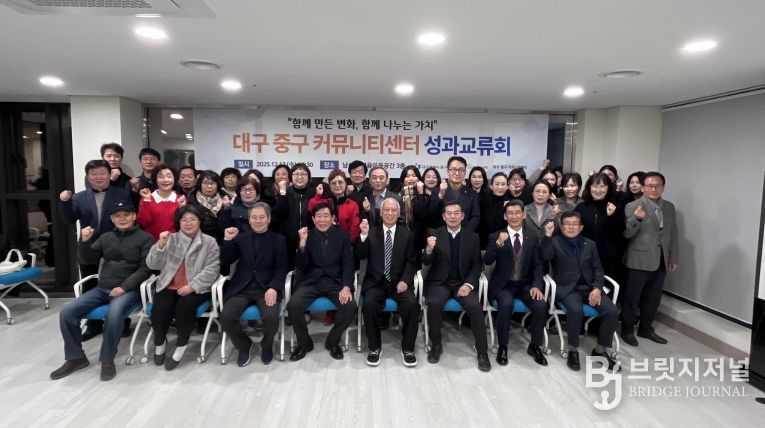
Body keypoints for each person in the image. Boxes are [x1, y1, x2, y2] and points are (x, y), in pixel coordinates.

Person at [51, 200, 153, 381]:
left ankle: (107, 359)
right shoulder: (106, 237)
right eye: (117, 216)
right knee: (67, 312)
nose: (122, 219)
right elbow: (87, 260)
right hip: (103, 288)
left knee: (113, 314)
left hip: (130, 290)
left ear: (134, 216)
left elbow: (145, 269)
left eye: (126, 215)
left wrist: (123, 287)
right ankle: (76, 357)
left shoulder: (146, 238)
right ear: (112, 219)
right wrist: (84, 241)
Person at [59, 159, 131, 340]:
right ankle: (93, 325)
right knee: (90, 284)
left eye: (102, 173)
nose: (98, 177)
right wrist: (65, 202)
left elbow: (129, 218)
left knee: (118, 283)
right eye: (93, 174)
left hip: (116, 244)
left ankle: (121, 322)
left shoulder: (121, 194)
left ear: (109, 174)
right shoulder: (79, 197)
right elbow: (68, 219)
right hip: (89, 244)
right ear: (88, 176)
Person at [540, 211, 620, 372]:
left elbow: (598, 268)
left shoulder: (590, 244)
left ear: (581, 227)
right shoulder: (554, 242)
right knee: (576, 310)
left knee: (611, 311)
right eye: (567, 223)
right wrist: (547, 235)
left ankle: (600, 350)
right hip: (567, 289)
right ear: (561, 226)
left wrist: (597, 288)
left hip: (590, 288)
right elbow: (545, 256)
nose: (571, 227)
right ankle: (573, 350)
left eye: (574, 223)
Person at [145, 205, 220, 370]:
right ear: (178, 222)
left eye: (193, 219)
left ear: (199, 221)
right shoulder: (170, 239)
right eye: (184, 220)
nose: (188, 223)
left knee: (184, 306)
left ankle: (181, 345)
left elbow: (212, 269)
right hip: (169, 285)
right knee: (160, 307)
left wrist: (192, 286)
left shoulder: (209, 242)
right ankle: (160, 342)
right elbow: (152, 264)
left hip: (197, 287)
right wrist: (160, 245)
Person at [422, 201, 490, 372]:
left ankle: (482, 351)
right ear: (443, 216)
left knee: (475, 306)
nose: (452, 216)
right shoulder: (434, 234)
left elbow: (477, 265)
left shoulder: (472, 236)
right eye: (449, 213)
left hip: (462, 283)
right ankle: (436, 345)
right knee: (434, 303)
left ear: (462, 215)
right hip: (440, 283)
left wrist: (468, 284)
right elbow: (426, 262)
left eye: (456, 213)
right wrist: (428, 249)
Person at [219, 202, 287, 367]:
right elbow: (226, 260)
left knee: (271, 318)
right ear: (249, 220)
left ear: (268, 219)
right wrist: (227, 240)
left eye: (261, 217)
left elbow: (281, 268)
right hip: (241, 288)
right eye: (254, 218)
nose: (258, 221)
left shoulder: (278, 240)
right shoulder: (240, 238)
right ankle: (244, 346)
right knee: (226, 318)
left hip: (266, 288)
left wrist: (273, 287)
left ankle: (266, 346)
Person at [286, 203, 357, 361]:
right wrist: (302, 243)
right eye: (318, 216)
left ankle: (333, 341)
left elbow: (348, 263)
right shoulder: (307, 235)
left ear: (333, 218)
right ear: (313, 219)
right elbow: (301, 266)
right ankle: (304, 343)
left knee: (350, 307)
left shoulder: (342, 236)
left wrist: (346, 286)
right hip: (310, 282)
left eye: (326, 216)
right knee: (293, 305)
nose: (322, 220)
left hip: (335, 282)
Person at [483, 200, 547, 366]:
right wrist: (499, 244)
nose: (514, 216)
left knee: (541, 305)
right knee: (506, 304)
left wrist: (537, 285)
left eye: (517, 212)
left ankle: (535, 346)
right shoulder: (496, 236)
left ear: (524, 215)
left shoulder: (532, 238)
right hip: (503, 285)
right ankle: (503, 346)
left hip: (525, 285)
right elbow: (487, 260)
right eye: (510, 213)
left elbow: (537, 264)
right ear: (505, 216)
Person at [356, 199, 419, 367]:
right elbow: (360, 255)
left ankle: (408, 348)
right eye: (387, 210)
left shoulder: (407, 234)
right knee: (369, 304)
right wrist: (363, 235)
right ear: (381, 213)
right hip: (376, 283)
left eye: (393, 210)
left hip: (399, 283)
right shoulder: (371, 232)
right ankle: (374, 347)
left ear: (398, 214)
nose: (390, 213)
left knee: (412, 305)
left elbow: (411, 261)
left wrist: (405, 280)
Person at [621, 172, 679, 347]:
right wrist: (637, 219)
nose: (654, 189)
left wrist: (673, 257)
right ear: (643, 187)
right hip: (638, 259)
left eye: (657, 185)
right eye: (650, 186)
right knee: (632, 298)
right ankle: (627, 330)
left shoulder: (669, 207)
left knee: (653, 298)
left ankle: (646, 329)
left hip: (661, 259)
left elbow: (673, 234)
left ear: (663, 187)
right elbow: (627, 233)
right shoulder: (632, 206)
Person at [574, 173, 626, 283]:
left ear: (608, 188)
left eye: (602, 186)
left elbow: (621, 233)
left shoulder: (615, 207)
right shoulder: (581, 207)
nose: (598, 190)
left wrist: (613, 215)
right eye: (595, 186)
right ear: (589, 187)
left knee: (606, 288)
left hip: (608, 259)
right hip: (584, 256)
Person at [271, 163, 316, 268]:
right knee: (289, 268)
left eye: (303, 174)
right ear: (291, 177)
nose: (299, 177)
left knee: (308, 267)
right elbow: (280, 214)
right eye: (296, 174)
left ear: (309, 177)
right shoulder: (285, 192)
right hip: (288, 239)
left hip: (310, 239)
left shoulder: (314, 193)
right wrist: (282, 193)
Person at [308, 170, 361, 245]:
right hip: (324, 245)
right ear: (329, 185)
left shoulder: (353, 205)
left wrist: (347, 243)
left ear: (345, 184)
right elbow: (311, 208)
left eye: (340, 182)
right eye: (333, 183)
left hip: (346, 244)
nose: (337, 185)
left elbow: (355, 228)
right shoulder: (325, 202)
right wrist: (318, 195)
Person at [429, 156, 480, 231]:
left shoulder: (472, 194)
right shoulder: (436, 191)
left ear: (465, 173)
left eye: (461, 170)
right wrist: (440, 196)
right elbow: (432, 216)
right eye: (453, 170)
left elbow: (475, 217)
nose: (457, 173)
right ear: (448, 172)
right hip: (442, 234)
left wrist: (465, 233)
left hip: (465, 234)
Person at [137, 164, 185, 241]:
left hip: (176, 242)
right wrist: (147, 200)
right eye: (161, 177)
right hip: (151, 242)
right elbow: (143, 222)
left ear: (174, 179)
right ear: (155, 179)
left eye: (169, 176)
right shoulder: (147, 198)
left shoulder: (181, 199)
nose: (165, 180)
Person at [187, 170, 229, 242]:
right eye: (206, 183)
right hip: (201, 242)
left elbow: (229, 224)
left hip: (222, 242)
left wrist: (227, 207)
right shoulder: (192, 202)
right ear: (200, 184)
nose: (209, 186)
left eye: (212, 183)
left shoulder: (226, 200)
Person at [478, 172, 510, 249]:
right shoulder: (482, 203)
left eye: (503, 184)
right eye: (497, 184)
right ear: (491, 186)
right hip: (485, 245)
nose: (500, 187)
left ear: (507, 186)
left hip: (505, 245)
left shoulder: (511, 204)